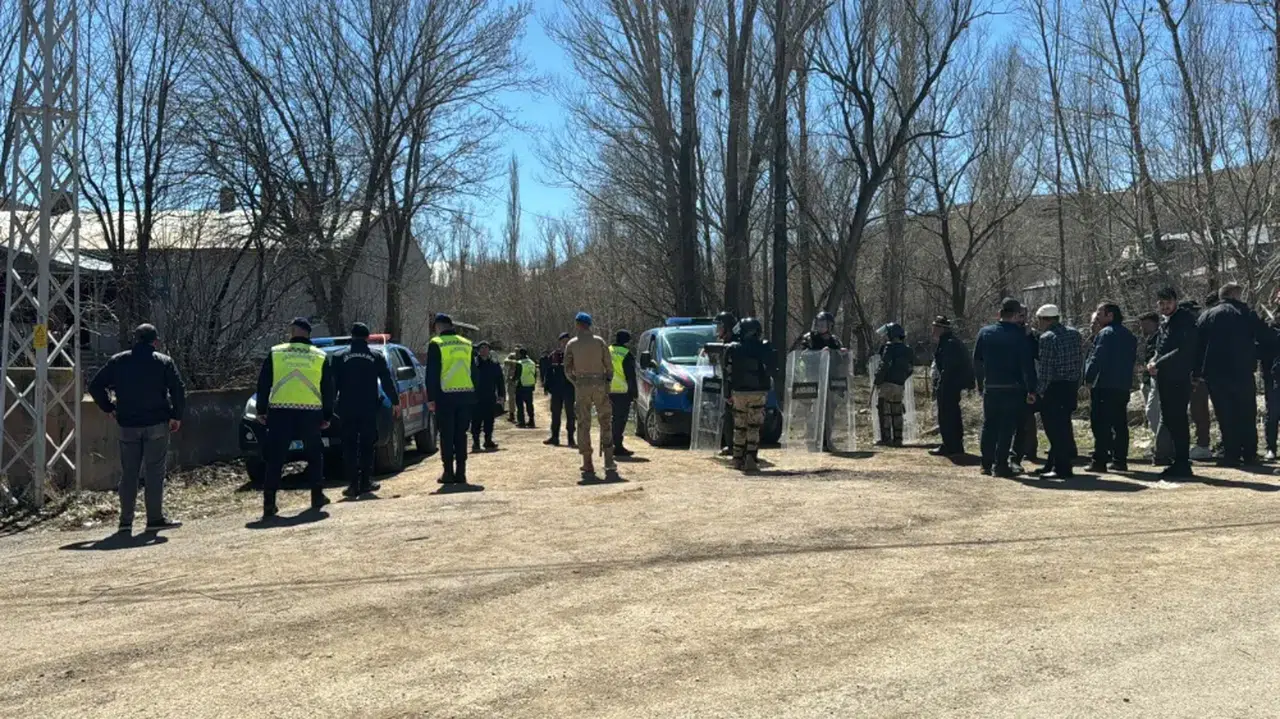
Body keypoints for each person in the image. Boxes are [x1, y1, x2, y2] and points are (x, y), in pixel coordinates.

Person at [88, 323, 186, 533]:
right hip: (157, 423)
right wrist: (176, 416)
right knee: (154, 472)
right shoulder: (164, 362)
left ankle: (125, 521)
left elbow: (94, 385)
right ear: (155, 341)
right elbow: (178, 389)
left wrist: (109, 407)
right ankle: (154, 519)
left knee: (129, 473)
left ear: (135, 339)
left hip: (127, 424)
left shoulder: (119, 361)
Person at [254, 318, 335, 519]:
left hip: (280, 412)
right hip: (310, 413)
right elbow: (328, 389)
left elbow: (263, 384)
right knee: (315, 455)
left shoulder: (277, 352)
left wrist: (261, 410)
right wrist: (327, 414)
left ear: (292, 332)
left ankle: (269, 504)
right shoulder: (319, 356)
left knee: (275, 459)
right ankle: (317, 496)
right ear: (308, 334)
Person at [1196, 282, 1270, 467]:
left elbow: (1197, 345)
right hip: (1242, 371)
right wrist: (1256, 355)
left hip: (1216, 374)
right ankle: (1250, 453)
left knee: (1225, 414)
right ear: (1235, 295)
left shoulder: (1207, 315)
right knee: (1246, 412)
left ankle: (1231, 453)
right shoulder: (1246, 313)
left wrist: (1197, 371)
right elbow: (1265, 336)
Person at [332, 322, 399, 498]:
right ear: (368, 337)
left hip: (346, 408)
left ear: (351, 336)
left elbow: (333, 385)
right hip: (369, 407)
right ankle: (366, 481)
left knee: (349, 446)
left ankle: (353, 484)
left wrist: (329, 407)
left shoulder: (339, 356)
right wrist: (395, 401)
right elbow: (386, 381)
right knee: (367, 445)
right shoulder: (376, 356)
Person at [973, 298, 1037, 477]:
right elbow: (1027, 364)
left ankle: (986, 463)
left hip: (991, 386)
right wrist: (1031, 388)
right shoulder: (1019, 335)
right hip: (1013, 387)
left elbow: (977, 360)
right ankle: (1000, 465)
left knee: (989, 425)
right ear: (1016, 315)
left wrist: (980, 383)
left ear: (999, 313)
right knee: (1006, 427)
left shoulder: (985, 333)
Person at [1083, 302, 1137, 473]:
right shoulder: (1129, 335)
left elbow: (1096, 358)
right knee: (1120, 424)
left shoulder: (1105, 334)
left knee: (1100, 423)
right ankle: (1120, 460)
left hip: (1104, 385)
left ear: (1110, 315)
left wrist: (1088, 378)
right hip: (1122, 385)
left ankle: (1099, 460)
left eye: (1100, 313)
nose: (1097, 317)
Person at [1149, 287, 1197, 478]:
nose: (1164, 306)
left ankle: (1183, 462)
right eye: (1161, 303)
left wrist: (1158, 363)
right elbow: (1162, 347)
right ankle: (1179, 460)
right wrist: (1153, 360)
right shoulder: (1166, 322)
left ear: (1175, 301)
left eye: (1168, 302)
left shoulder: (1183, 320)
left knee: (1177, 420)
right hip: (1166, 377)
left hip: (1178, 377)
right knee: (1170, 419)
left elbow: (1184, 349)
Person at [1032, 305, 1083, 479]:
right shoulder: (1074, 333)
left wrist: (1038, 391)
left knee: (1054, 430)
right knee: (1064, 426)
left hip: (1054, 387)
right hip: (1070, 386)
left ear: (1044, 319)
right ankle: (1051, 464)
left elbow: (1046, 369)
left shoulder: (1047, 338)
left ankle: (1062, 468)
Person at [426, 313, 475, 485]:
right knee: (461, 435)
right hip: (465, 396)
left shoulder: (436, 344)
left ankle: (448, 472)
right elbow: (473, 372)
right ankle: (461, 473)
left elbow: (432, 373)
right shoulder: (466, 344)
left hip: (444, 396)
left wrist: (430, 398)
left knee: (446, 435)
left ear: (439, 326)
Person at [565, 312, 615, 474]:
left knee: (583, 424)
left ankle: (588, 462)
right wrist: (606, 382)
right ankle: (609, 460)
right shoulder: (600, 342)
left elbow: (567, 369)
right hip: (599, 384)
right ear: (590, 324)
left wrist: (576, 382)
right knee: (605, 421)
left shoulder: (572, 344)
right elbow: (609, 367)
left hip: (582, 386)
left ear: (577, 324)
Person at [723, 317, 774, 471]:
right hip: (757, 392)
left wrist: (727, 394)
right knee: (753, 426)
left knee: (739, 426)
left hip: (739, 392)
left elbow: (728, 374)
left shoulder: (733, 348)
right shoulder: (764, 347)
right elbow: (771, 370)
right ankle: (751, 456)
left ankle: (738, 458)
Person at [928, 316, 973, 457]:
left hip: (949, 385)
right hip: (951, 384)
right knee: (950, 414)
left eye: (935, 327)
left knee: (948, 416)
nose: (933, 330)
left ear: (942, 329)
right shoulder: (947, 342)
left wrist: (941, 385)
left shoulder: (949, 343)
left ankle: (951, 445)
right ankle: (952, 444)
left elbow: (948, 368)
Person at [1138, 311, 1173, 465]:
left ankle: (1165, 448)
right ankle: (1160, 445)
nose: (1142, 328)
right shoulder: (1149, 339)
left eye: (1145, 325)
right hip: (1147, 381)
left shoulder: (1159, 337)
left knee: (1154, 413)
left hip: (1156, 380)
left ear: (1154, 323)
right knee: (1152, 414)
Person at [1010, 306, 1040, 473]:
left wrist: (1030, 337)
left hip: (1025, 383)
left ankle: (1027, 451)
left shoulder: (1031, 334)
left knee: (1026, 421)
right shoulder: (1003, 333)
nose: (1020, 319)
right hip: (1006, 382)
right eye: (1018, 315)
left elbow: (1038, 354)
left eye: (1023, 316)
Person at [873, 322, 913, 447]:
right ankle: (898, 438)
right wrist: (901, 379)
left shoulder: (889, 348)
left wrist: (878, 379)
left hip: (887, 383)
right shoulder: (907, 350)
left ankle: (886, 438)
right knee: (897, 411)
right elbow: (910, 368)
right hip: (899, 385)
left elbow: (884, 365)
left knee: (884, 410)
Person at [1187, 297, 1215, 460]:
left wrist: (1197, 374)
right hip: (1198, 375)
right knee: (1197, 411)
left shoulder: (1199, 329)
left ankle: (1203, 444)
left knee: (1199, 411)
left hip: (1200, 376)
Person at [609, 330, 638, 457]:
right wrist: (635, 392)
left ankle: (608, 444)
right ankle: (618, 446)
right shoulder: (626, 354)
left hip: (607, 390)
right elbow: (631, 375)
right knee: (620, 420)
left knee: (610, 419)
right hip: (622, 391)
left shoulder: (607, 350)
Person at [544, 333, 577, 447]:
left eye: (568, 341)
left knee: (570, 414)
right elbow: (548, 372)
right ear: (560, 342)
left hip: (569, 389)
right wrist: (546, 386)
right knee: (555, 414)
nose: (565, 343)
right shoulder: (554, 355)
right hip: (556, 390)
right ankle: (554, 437)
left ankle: (571, 439)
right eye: (563, 341)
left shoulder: (574, 355)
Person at [471, 341, 504, 452]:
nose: (483, 350)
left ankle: (488, 440)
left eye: (485, 348)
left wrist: (501, 396)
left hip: (490, 398)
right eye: (481, 348)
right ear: (478, 350)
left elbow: (500, 382)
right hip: (476, 398)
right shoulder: (473, 365)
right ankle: (476, 442)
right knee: (476, 421)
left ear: (489, 350)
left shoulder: (494, 365)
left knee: (489, 421)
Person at [511, 347, 537, 428]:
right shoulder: (532, 363)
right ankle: (531, 421)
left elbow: (517, 375)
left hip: (521, 386)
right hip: (530, 386)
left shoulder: (520, 363)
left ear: (520, 354)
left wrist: (512, 379)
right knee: (529, 404)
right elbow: (535, 374)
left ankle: (521, 422)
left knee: (520, 405)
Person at [503, 349, 520, 423]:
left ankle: (520, 416)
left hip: (520, 380)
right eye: (516, 350)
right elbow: (505, 361)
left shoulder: (524, 356)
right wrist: (514, 361)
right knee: (511, 398)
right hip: (511, 380)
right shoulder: (511, 355)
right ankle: (512, 414)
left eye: (518, 350)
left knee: (519, 398)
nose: (517, 352)